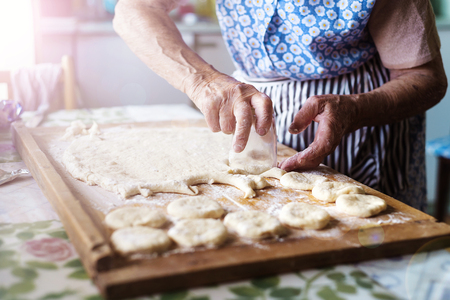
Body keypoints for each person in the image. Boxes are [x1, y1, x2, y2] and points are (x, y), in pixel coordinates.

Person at [113, 0, 447, 211]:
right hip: (255, 113)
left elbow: (425, 78)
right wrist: (201, 81)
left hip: (365, 125)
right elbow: (134, 9)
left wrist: (356, 109)